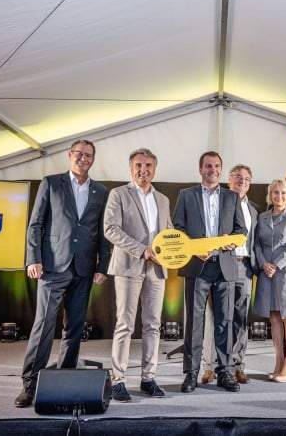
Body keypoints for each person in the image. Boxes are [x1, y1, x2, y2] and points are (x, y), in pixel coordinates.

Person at [14, 140, 111, 408]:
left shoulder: (101, 191)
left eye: (88, 155)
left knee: (75, 329)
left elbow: (103, 233)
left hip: (84, 269)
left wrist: (103, 266)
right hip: (52, 267)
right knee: (43, 327)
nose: (83, 158)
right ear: (69, 156)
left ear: (93, 159)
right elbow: (35, 225)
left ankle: (63, 382)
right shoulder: (51, 183)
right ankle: (30, 385)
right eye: (78, 154)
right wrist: (33, 258)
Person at [173, 151, 247, 393]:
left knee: (225, 322)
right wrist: (194, 248)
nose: (212, 169)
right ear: (200, 169)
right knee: (194, 323)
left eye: (216, 166)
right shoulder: (186, 195)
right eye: (207, 166)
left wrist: (232, 241)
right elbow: (178, 228)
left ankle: (225, 372)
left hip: (225, 267)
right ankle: (191, 374)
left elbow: (241, 230)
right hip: (197, 266)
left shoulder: (232, 197)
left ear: (221, 170)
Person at [104, 148, 172, 402]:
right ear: (130, 168)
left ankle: (148, 378)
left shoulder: (163, 199)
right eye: (138, 165)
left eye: (148, 166)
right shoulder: (118, 194)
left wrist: (185, 249)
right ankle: (118, 380)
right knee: (125, 324)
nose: (143, 170)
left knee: (153, 325)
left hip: (157, 270)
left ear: (155, 169)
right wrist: (141, 250)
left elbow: (169, 232)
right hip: (128, 265)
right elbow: (110, 229)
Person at [199, 165, 259, 385]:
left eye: (246, 178)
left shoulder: (254, 209)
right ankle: (210, 366)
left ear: (250, 183)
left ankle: (236, 366)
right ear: (229, 179)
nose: (241, 181)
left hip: (244, 267)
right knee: (214, 318)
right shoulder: (220, 201)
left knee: (240, 319)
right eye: (237, 177)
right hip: (221, 266)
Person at [253, 179, 286, 383]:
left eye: (283, 193)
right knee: (274, 317)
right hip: (267, 271)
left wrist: (276, 264)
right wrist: (263, 263)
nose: (279, 196)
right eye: (275, 193)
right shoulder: (263, 217)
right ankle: (278, 362)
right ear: (270, 195)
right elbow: (257, 244)